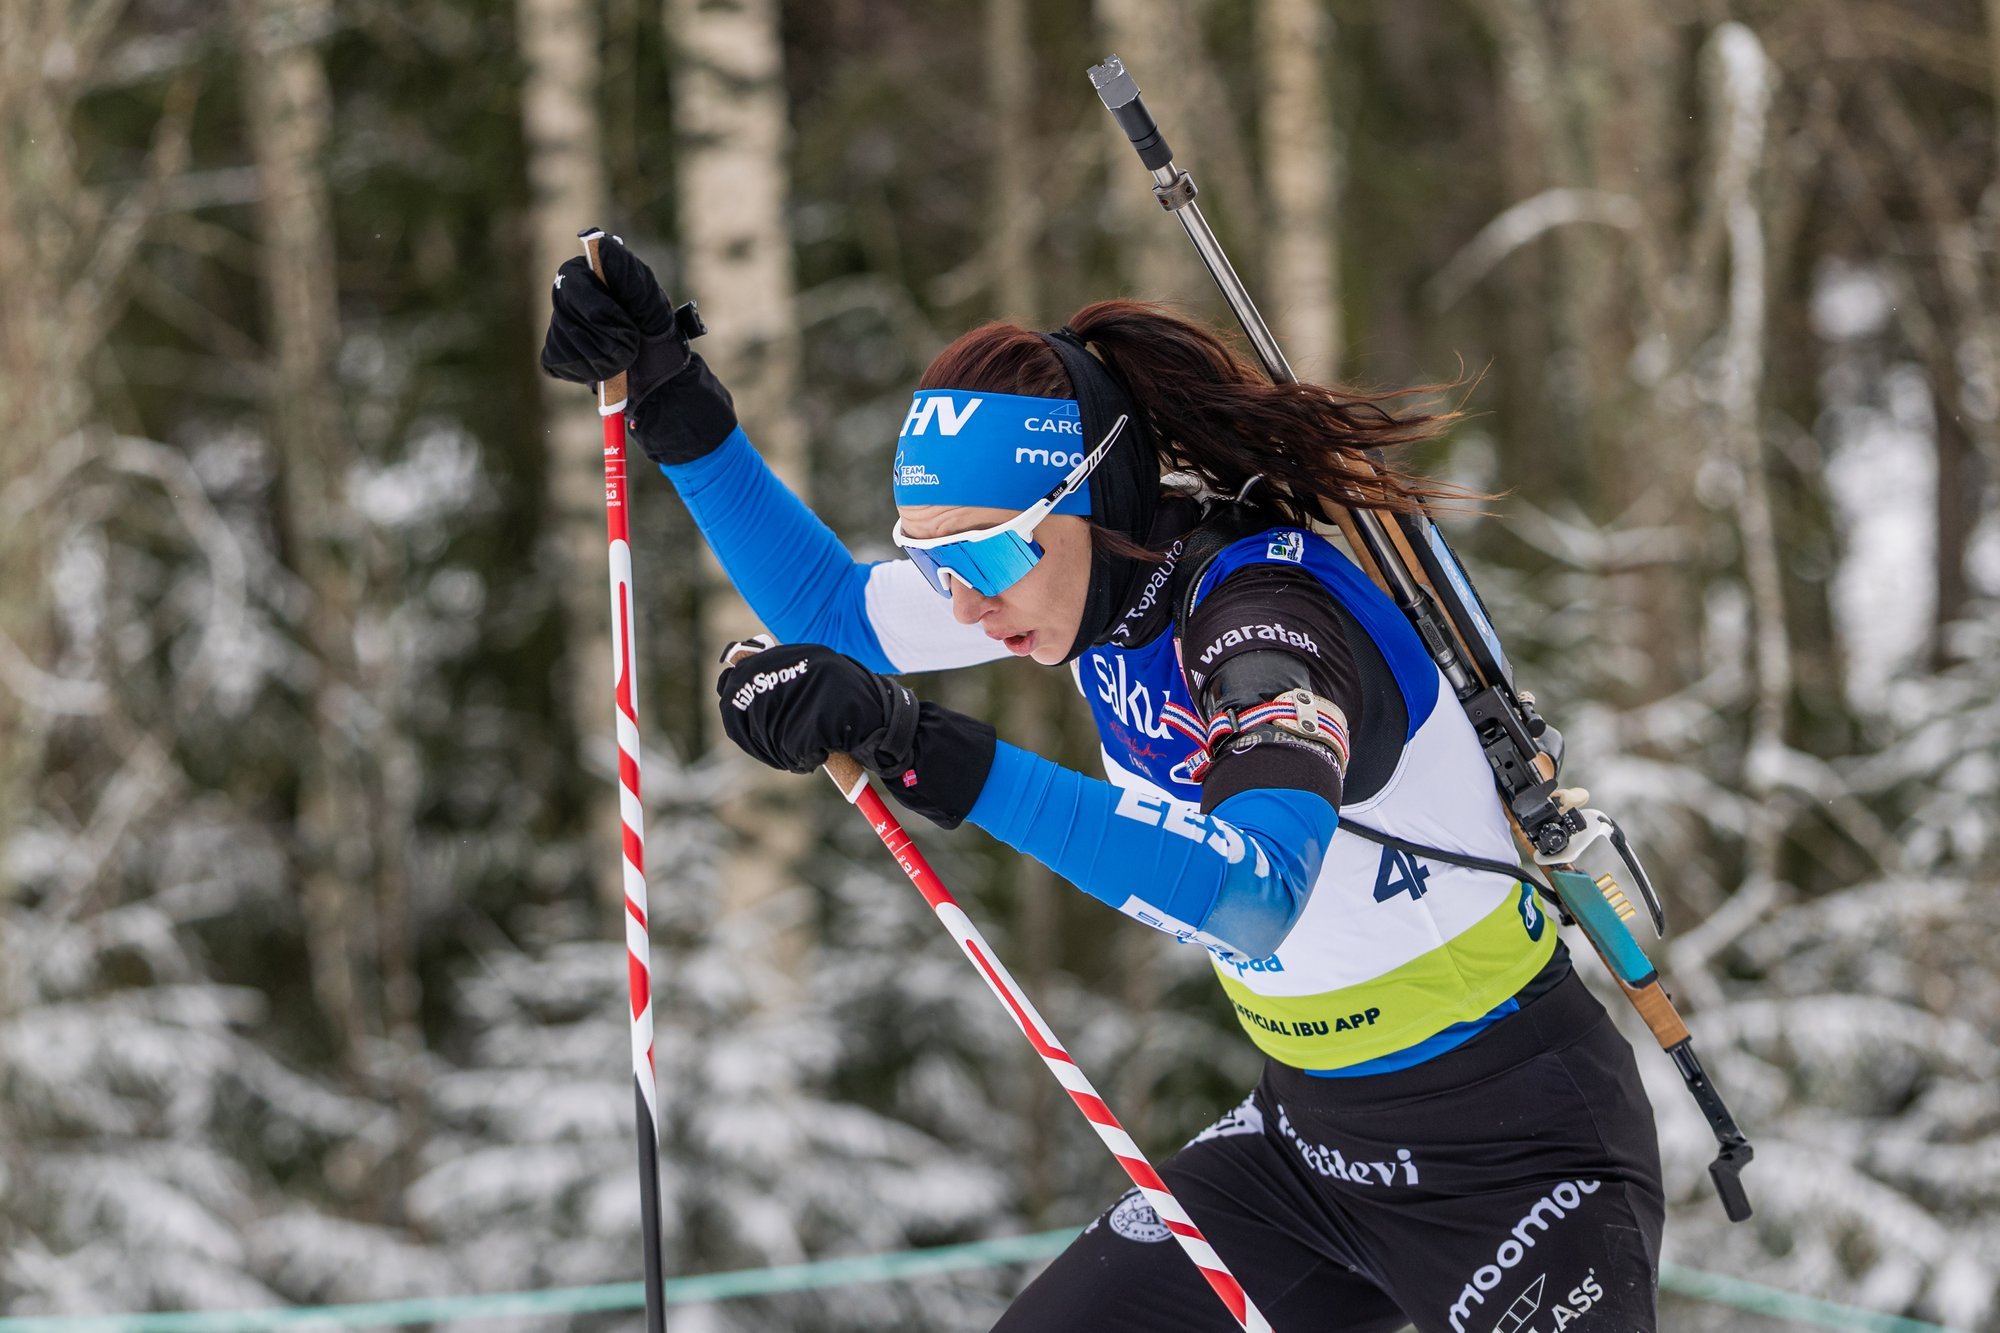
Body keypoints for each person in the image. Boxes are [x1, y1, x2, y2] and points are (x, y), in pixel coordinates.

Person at [542, 237, 1665, 1333]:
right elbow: (835, 616)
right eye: (933, 563)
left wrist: (924, 748)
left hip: (1514, 1152)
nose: (963, 605)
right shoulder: (1090, 584)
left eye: (979, 559)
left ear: (1098, 492)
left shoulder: (1269, 623)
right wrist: (671, 398)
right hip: (1306, 1146)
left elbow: (1252, 890)